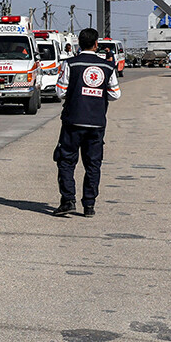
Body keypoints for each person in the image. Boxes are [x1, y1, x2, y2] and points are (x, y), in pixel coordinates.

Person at [52, 28, 121, 218]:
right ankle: (89, 206)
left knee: (66, 161)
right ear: (96, 44)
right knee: (93, 164)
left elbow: (60, 92)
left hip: (73, 120)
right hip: (97, 123)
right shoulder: (107, 67)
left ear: (78, 44)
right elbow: (115, 94)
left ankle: (68, 201)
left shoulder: (70, 64)